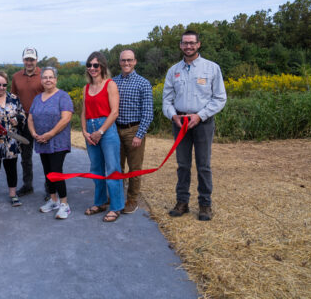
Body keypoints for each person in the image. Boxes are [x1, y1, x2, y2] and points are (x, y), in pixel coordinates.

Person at [162, 30, 227, 221]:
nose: (188, 46)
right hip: (180, 123)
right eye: (185, 43)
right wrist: (173, 116)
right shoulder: (173, 70)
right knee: (182, 165)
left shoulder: (212, 68)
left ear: (198, 44)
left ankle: (205, 204)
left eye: (192, 43)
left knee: (203, 165)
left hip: (203, 123)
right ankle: (182, 202)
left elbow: (220, 98)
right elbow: (166, 99)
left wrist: (200, 116)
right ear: (181, 46)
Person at [81, 52, 125, 222]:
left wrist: (100, 132)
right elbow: (83, 112)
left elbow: (114, 112)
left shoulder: (110, 85)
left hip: (106, 129)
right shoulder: (86, 88)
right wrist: (84, 132)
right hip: (90, 129)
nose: (92, 68)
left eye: (96, 65)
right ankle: (100, 203)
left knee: (112, 168)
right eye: (89, 65)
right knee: (96, 169)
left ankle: (116, 207)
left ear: (102, 67)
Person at [28, 67, 74, 219]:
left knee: (56, 171)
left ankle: (64, 204)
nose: (48, 80)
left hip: (58, 142)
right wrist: (34, 133)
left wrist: (50, 134)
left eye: (51, 77)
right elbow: (30, 118)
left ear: (56, 79)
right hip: (41, 141)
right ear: (41, 80)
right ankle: (53, 200)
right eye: (45, 77)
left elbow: (66, 118)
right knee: (48, 172)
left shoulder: (63, 96)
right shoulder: (37, 98)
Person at [112, 50, 154, 214]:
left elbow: (148, 112)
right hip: (115, 129)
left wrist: (139, 134)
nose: (126, 63)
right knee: (117, 167)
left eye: (129, 60)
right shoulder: (113, 82)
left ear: (135, 61)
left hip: (134, 130)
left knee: (134, 169)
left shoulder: (143, 83)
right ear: (120, 62)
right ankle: (117, 198)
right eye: (123, 60)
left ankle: (132, 200)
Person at [0, 71, 26, 208]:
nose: (1, 87)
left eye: (4, 85)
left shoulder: (14, 98)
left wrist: (18, 120)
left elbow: (23, 115)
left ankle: (13, 195)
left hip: (11, 140)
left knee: (11, 168)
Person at [11, 47, 45, 198]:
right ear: (23, 60)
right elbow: (12, 99)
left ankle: (50, 188)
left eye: (32, 59)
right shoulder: (16, 77)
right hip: (24, 122)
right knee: (25, 157)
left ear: (37, 60)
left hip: (42, 121)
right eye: (27, 59)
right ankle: (27, 185)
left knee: (47, 156)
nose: (29, 62)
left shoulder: (44, 75)